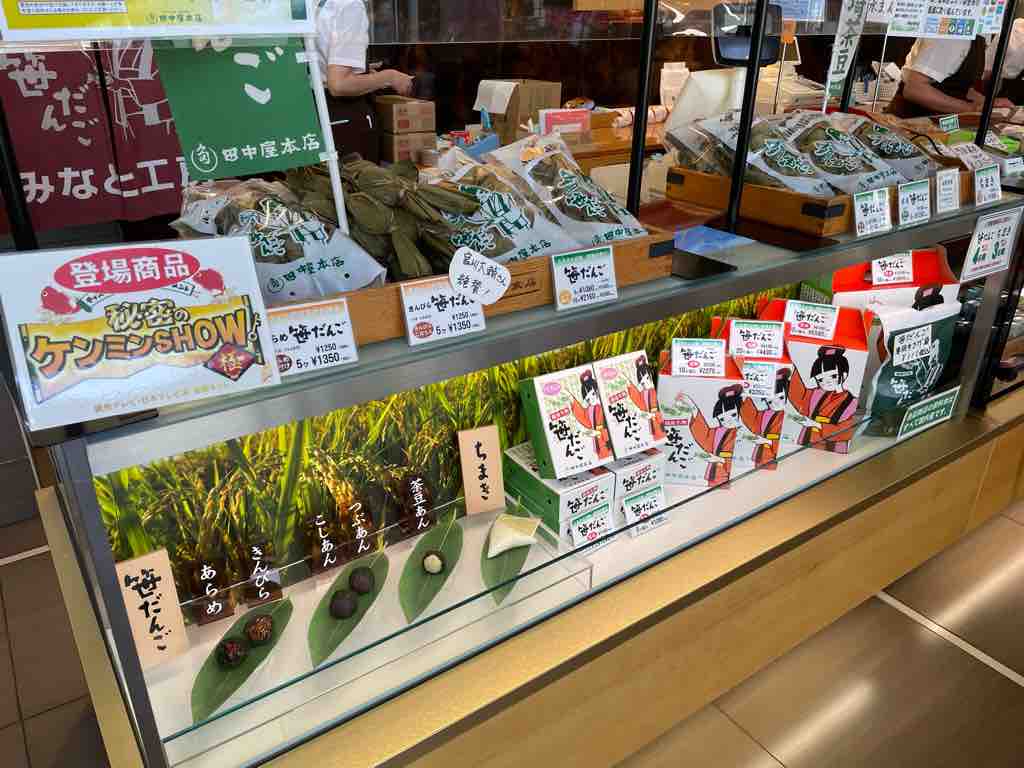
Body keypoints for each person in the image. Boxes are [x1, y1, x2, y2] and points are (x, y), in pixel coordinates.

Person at [315, 0, 413, 163]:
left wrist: (362, 71)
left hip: (312, 112)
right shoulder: (350, 5)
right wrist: (389, 77)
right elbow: (339, 84)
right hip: (341, 117)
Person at [888, 35, 1013, 118]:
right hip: (912, 122)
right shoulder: (952, 35)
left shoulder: (977, 35)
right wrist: (972, 109)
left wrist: (988, 103)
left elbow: (957, 86)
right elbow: (915, 89)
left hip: (941, 123)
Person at [788, 346, 858, 454]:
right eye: (821, 379)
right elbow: (798, 395)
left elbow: (846, 431)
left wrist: (816, 424)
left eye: (833, 376)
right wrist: (791, 368)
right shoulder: (816, 394)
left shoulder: (852, 402)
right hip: (807, 443)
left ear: (844, 375)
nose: (827, 382)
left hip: (833, 450)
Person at [683, 384, 743, 487]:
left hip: (737, 473)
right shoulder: (719, 432)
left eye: (733, 415)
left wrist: (719, 459)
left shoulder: (744, 429)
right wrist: (692, 407)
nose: (728, 421)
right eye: (722, 419)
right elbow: (704, 433)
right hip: (716, 472)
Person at [739, 367, 791, 470]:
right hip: (764, 454)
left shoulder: (789, 411)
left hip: (787, 449)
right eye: (770, 402)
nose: (776, 403)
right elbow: (747, 414)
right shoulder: (763, 415)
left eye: (781, 397)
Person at [571, 370, 612, 460]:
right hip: (598, 442)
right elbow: (583, 420)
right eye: (588, 399)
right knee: (603, 457)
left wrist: (602, 432)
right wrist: (589, 432)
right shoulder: (590, 409)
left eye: (593, 394)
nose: (592, 400)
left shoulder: (604, 403)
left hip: (607, 439)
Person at [627, 355, 666, 441]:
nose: (645, 383)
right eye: (642, 382)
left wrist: (655, 415)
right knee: (656, 436)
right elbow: (638, 400)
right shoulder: (643, 393)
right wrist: (630, 386)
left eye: (647, 378)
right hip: (652, 422)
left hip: (660, 420)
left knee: (662, 434)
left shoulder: (656, 387)